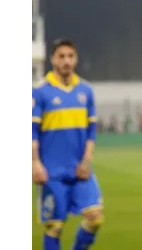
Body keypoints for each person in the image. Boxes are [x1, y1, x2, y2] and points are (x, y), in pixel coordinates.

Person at [32, 39, 103, 250]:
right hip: (52, 172)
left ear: (76, 59)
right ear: (53, 59)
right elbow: (31, 132)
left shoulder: (86, 91)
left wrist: (86, 161)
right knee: (54, 227)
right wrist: (35, 163)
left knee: (95, 218)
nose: (66, 61)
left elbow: (91, 131)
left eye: (70, 56)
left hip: (80, 170)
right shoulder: (40, 91)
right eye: (61, 56)